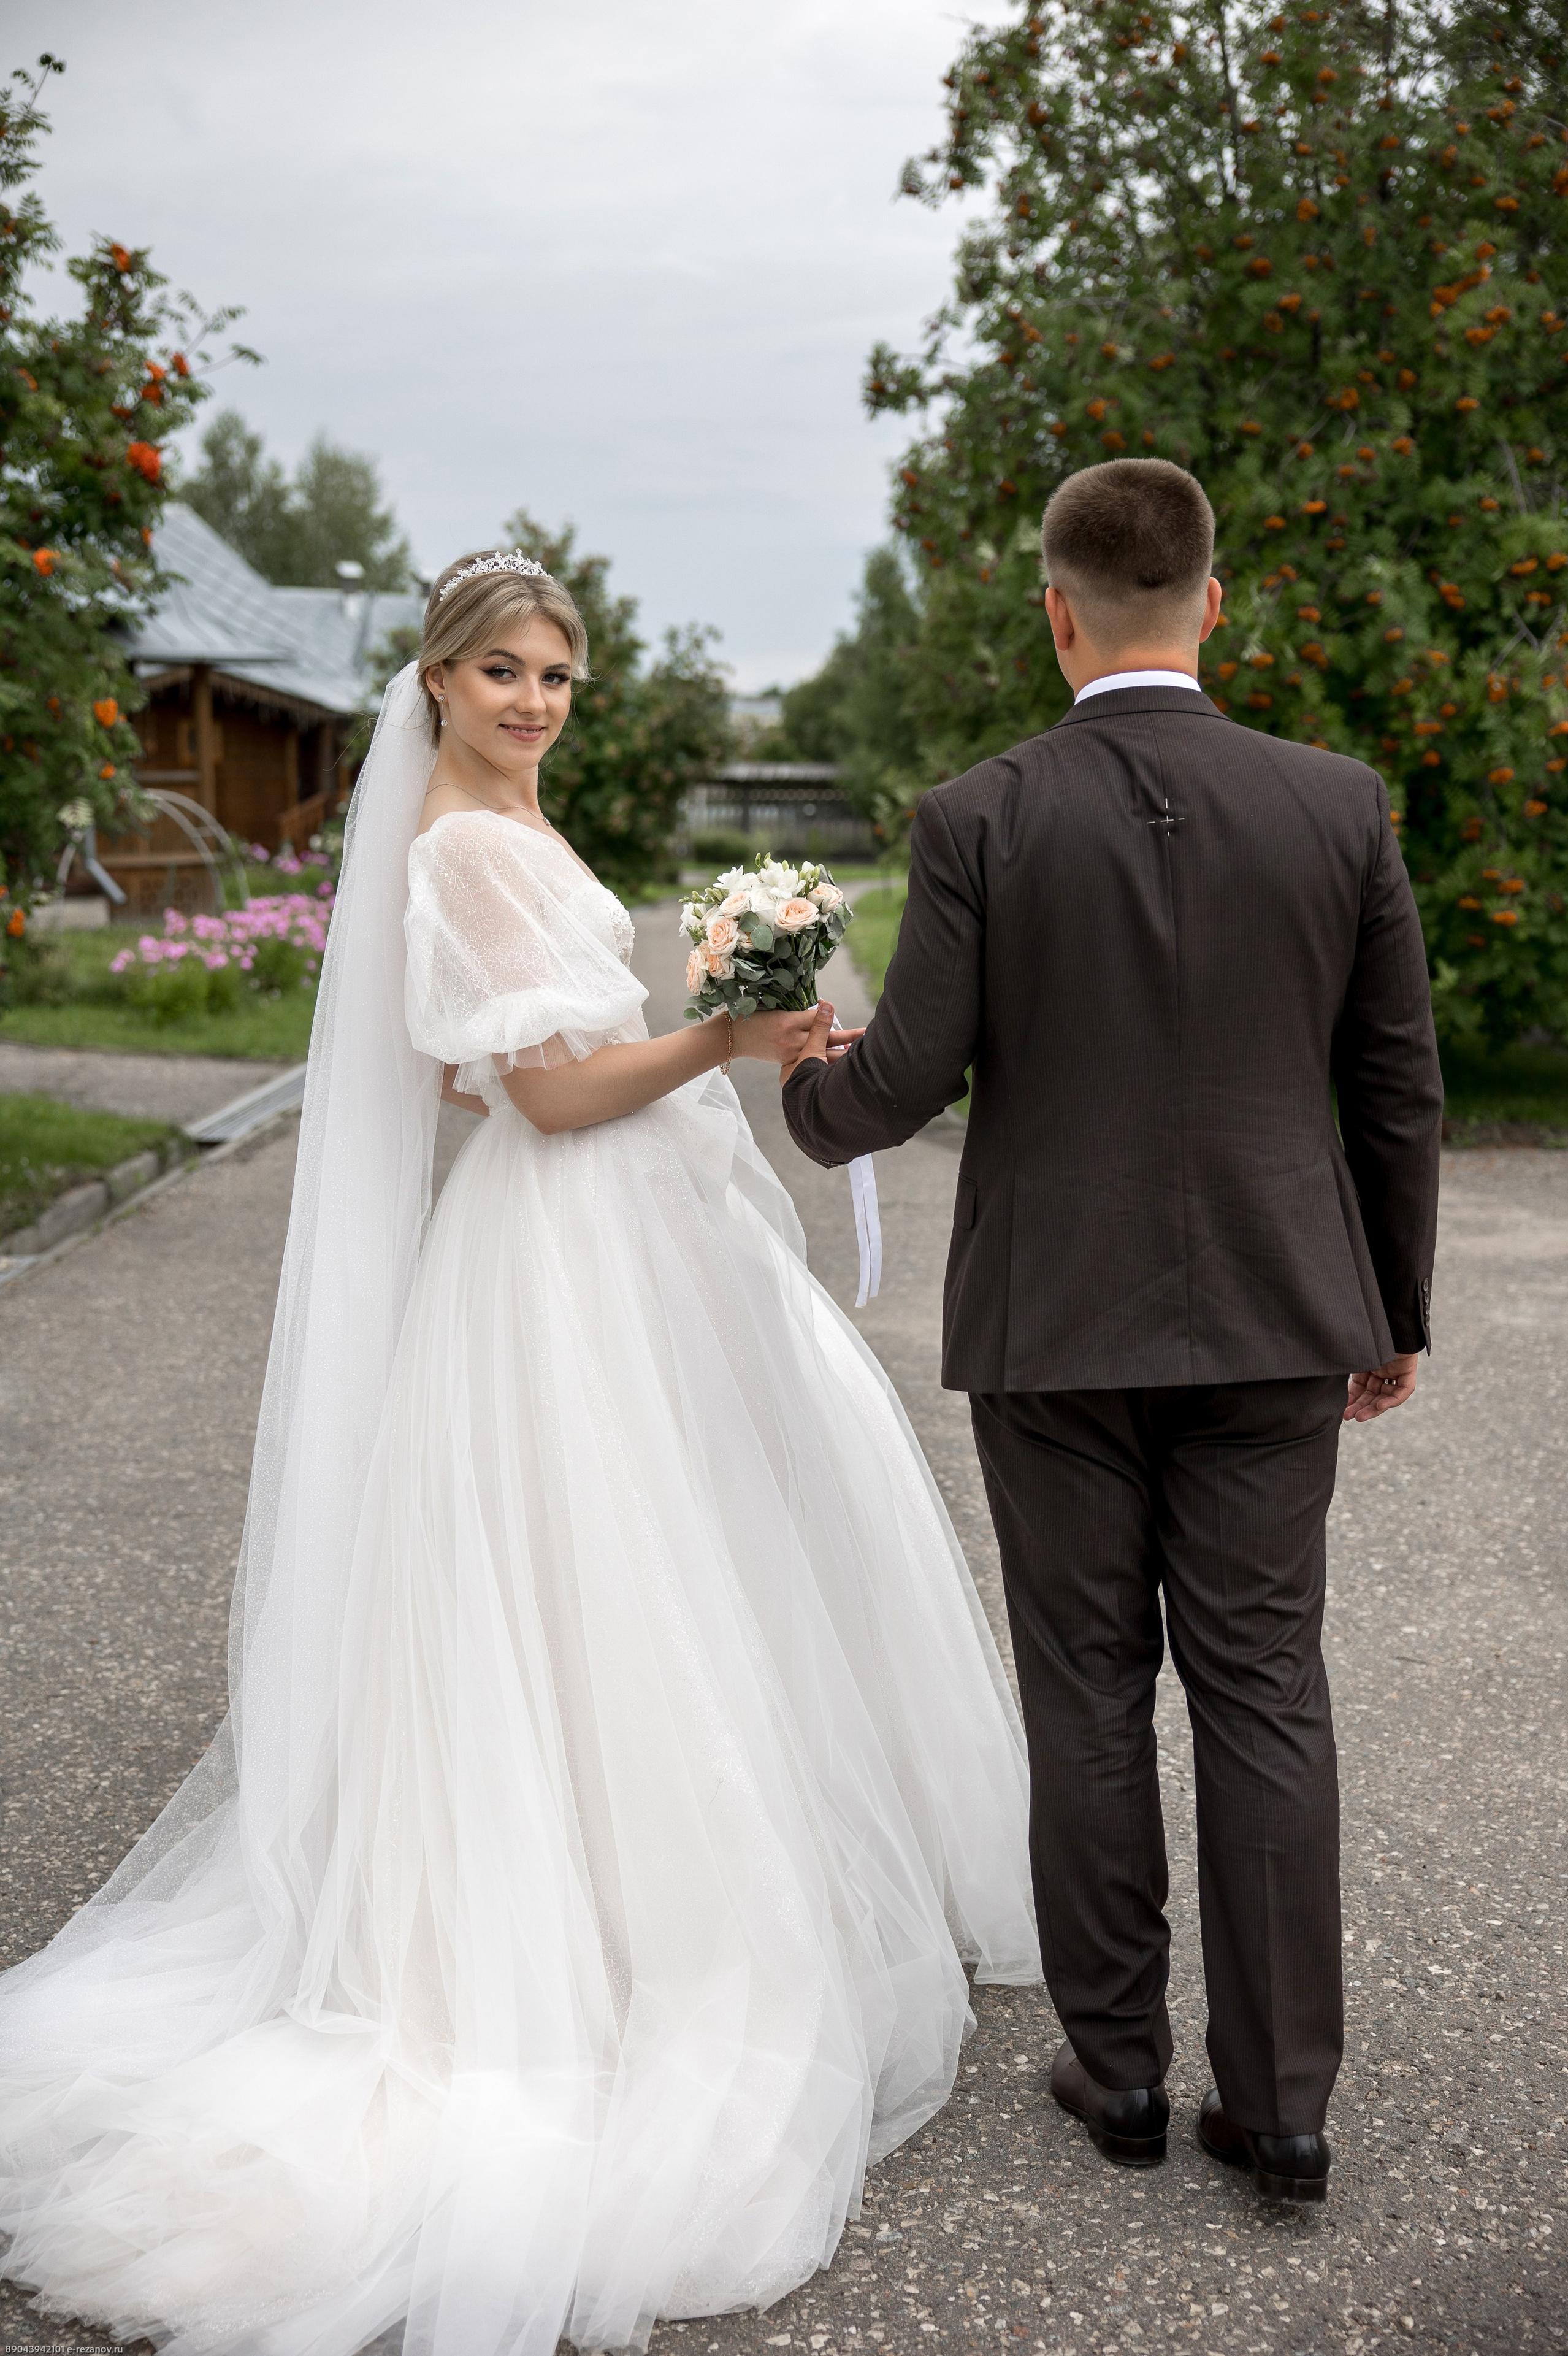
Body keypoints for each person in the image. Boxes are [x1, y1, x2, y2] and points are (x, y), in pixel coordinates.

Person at [0, 551, 1040, 2356]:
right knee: (597, 1572)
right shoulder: (466, 851)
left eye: (558, 671)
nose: (536, 699)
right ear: (434, 686)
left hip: (616, 1236)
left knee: (652, 1571)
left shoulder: (524, 838)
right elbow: (544, 1091)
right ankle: (589, 1945)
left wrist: (724, 1015)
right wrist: (721, 1029)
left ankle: (637, 1908)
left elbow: (534, 1070)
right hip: (556, 1256)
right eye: (501, 672)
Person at [782, 458, 1444, 2206]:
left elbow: (904, 1077)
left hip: (1053, 1332)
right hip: (1280, 1318)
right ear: (1212, 602)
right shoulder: (1338, 804)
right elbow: (1398, 1087)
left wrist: (799, 1084)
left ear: (1057, 613)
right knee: (1265, 1691)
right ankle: (1286, 2106)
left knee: (1085, 1692)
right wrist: (1394, 1306)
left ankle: (1125, 2069)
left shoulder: (980, 815)